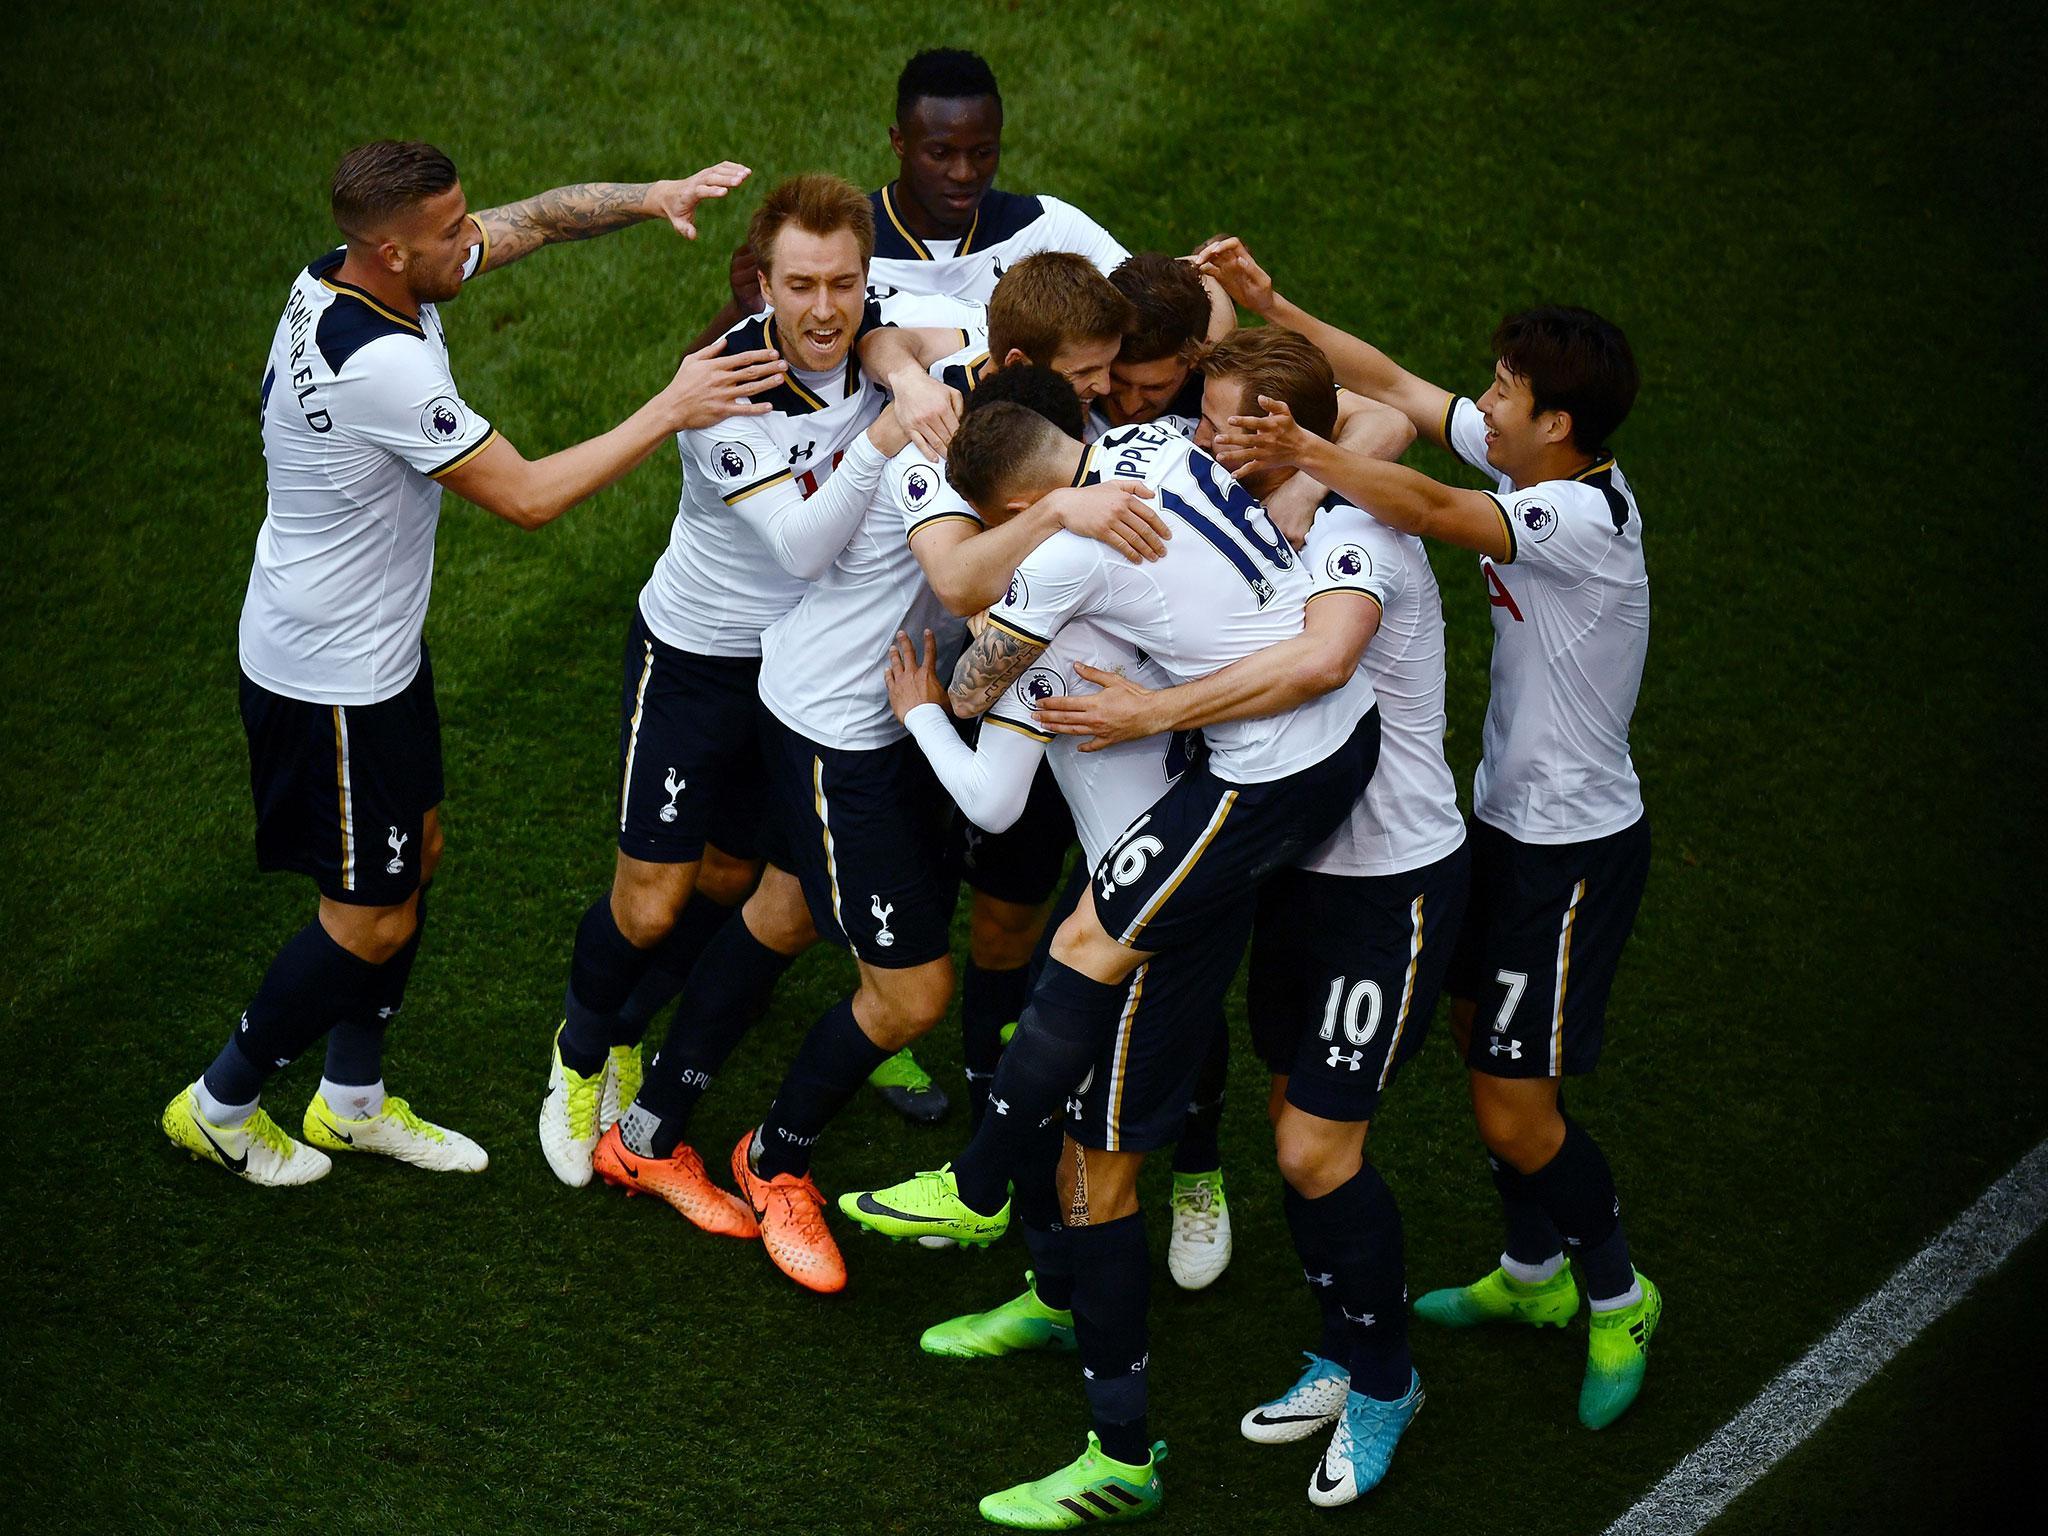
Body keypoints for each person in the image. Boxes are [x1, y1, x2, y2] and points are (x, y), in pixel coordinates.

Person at [160, 141, 780, 1186]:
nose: (474, 239)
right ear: (394, 254)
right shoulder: (384, 369)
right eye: (451, 234)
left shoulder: (344, 270)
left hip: (371, 658)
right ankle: (222, 1099)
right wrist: (671, 406)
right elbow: (529, 497)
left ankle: (350, 1101)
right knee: (366, 916)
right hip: (329, 682)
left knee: (419, 854)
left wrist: (650, 197)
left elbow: (529, 218)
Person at [844, 404, 1380, 1522]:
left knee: (1094, 1138)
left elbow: (970, 680)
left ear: (1013, 512)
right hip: (1257, 769)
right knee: (1071, 1046)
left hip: (1256, 783)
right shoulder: (1155, 446)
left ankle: (1106, 1425)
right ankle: (1042, 1279)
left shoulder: (1063, 566)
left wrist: (941, 689)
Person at [597, 275, 1164, 1297]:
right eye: (1088, 377)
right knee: (910, 996)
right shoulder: (941, 433)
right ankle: (773, 1159)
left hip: (879, 721)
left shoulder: (967, 391)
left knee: (780, 914)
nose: (1109, 394)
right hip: (841, 733)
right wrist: (1064, 512)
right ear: (1027, 367)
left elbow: (881, 336)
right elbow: (956, 578)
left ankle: (648, 1129)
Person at [1204, 236, 1661, 1431]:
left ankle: (1615, 1292)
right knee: (1482, 1059)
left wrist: (1304, 449)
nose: (1484, 399)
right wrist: (1275, 303)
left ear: (1556, 426)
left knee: (1514, 1104)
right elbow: (1400, 391)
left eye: (1504, 391)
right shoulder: (1540, 458)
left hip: (1568, 852)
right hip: (1498, 828)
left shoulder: (1574, 517)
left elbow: (1426, 504)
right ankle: (1529, 1277)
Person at [1035, 328, 1467, 1506]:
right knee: (1296, 1123)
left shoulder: (1352, 531)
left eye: (1228, 423)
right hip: (1300, 876)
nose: (1202, 441)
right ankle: (1342, 1345)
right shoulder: (1273, 519)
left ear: (1284, 434)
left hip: (1389, 887)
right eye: (1203, 417)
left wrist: (1149, 713)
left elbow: (1320, 664)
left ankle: (1384, 1381)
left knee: (1311, 1148)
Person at [535, 172, 977, 1195]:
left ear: (868, 278)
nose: (822, 308)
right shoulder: (717, 390)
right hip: (696, 658)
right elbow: (804, 547)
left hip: (795, 674)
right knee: (650, 903)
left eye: (842, 284)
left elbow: (986, 334)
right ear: (762, 287)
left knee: (735, 880)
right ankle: (577, 1054)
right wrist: (888, 420)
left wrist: (900, 364)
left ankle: (637, 1032)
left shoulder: (886, 325)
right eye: (798, 285)